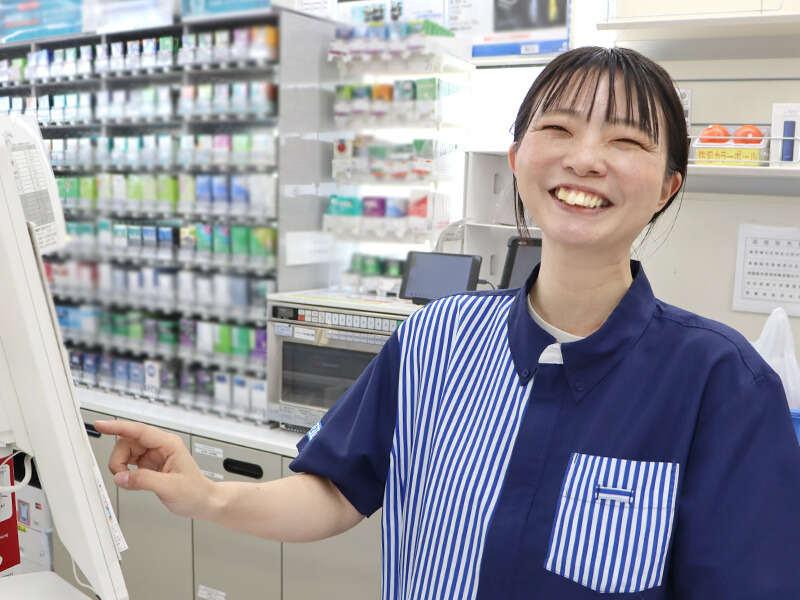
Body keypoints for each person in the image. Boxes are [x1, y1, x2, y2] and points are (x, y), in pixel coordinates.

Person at [95, 46, 800, 599]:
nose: (586, 159)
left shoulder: (721, 384)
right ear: (519, 158)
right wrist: (209, 495)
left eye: (627, 141)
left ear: (668, 184)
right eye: (557, 128)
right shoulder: (435, 339)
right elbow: (335, 489)